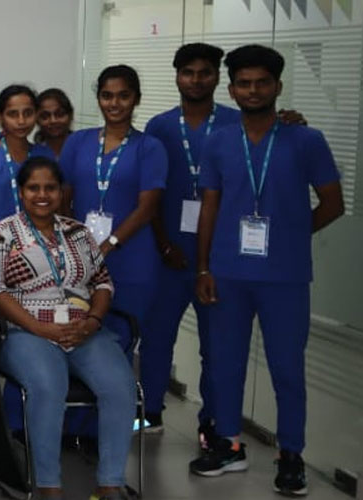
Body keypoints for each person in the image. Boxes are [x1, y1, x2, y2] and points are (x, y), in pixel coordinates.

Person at [190, 44, 344, 497]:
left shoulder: (305, 140)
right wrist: (203, 267)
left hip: (285, 277)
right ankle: (229, 444)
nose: (252, 91)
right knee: (225, 363)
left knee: (286, 368)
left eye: (262, 83)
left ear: (278, 86)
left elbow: (333, 203)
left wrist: (292, 236)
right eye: (244, 83)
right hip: (228, 273)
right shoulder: (219, 141)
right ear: (232, 89)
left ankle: (291, 454)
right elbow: (209, 207)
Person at [0, 157, 134, 500]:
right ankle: (49, 486)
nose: (42, 195)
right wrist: (40, 328)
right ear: (21, 192)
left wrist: (93, 322)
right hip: (24, 331)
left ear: (61, 192)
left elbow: (103, 283)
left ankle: (110, 484)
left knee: (120, 387)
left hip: (82, 330)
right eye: (33, 188)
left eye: (50, 188)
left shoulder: (78, 233)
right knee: (49, 386)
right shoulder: (1, 234)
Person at [140, 42, 242, 437]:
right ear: (177, 77)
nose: (196, 80)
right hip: (170, 254)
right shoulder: (160, 127)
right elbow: (151, 195)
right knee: (156, 338)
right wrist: (164, 244)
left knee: (216, 346)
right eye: (188, 73)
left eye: (204, 73)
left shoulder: (236, 123)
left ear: (217, 78)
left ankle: (211, 421)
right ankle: (150, 410)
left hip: (219, 258)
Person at [58, 64, 167, 355]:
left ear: (136, 99)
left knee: (121, 343)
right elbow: (63, 197)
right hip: (82, 258)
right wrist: (72, 242)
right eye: (107, 96)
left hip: (132, 259)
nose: (114, 103)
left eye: (123, 96)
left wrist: (108, 245)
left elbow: (148, 207)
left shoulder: (150, 147)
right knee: (77, 339)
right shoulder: (78, 141)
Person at [0, 85, 51, 246]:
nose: (21, 121)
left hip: (33, 248)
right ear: (0, 117)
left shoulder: (44, 155)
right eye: (13, 114)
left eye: (28, 113)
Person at [34, 88, 74, 158]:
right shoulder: (32, 154)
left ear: (70, 115)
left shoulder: (84, 149)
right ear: (37, 120)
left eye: (60, 114)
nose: (53, 121)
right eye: (45, 116)